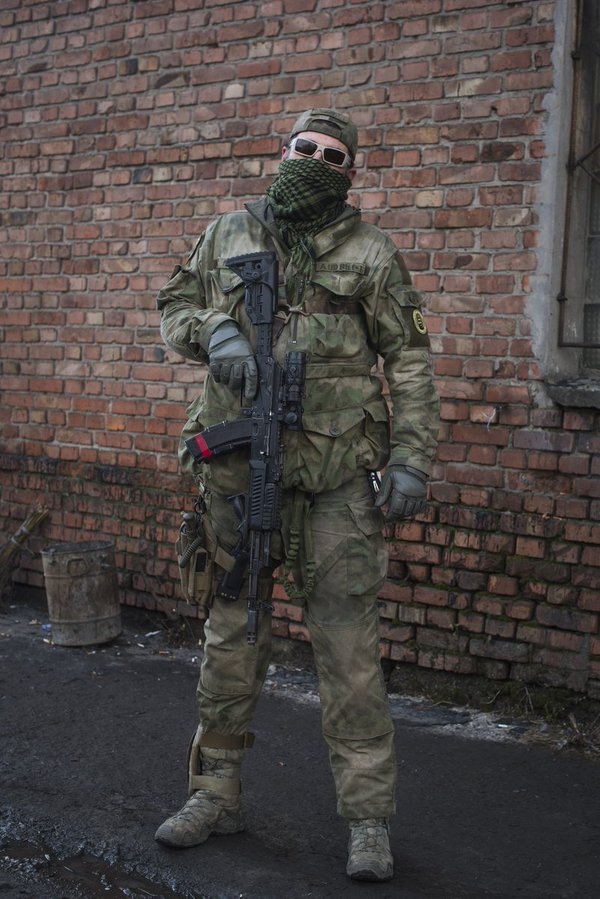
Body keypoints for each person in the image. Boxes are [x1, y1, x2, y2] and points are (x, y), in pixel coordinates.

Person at [154, 108, 439, 883]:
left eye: (333, 154)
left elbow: (409, 361)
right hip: (237, 474)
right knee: (230, 639)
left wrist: (411, 460)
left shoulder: (373, 252)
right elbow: (172, 307)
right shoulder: (226, 234)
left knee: (348, 654)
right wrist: (213, 331)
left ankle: (369, 820)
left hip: (338, 484)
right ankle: (214, 792)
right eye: (303, 147)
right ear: (281, 152)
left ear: (351, 172)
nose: (314, 158)